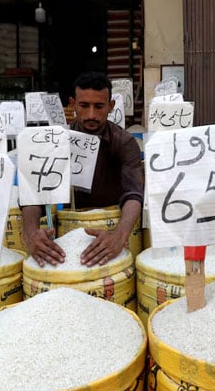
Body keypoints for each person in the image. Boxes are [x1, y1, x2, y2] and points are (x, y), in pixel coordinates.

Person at [21, 71, 143, 268]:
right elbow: (34, 192)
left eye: (99, 106)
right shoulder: (54, 141)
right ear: (72, 103)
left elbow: (134, 194)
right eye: (84, 106)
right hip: (69, 236)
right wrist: (31, 232)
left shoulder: (124, 142)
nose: (91, 115)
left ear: (111, 106)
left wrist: (119, 235)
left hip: (110, 232)